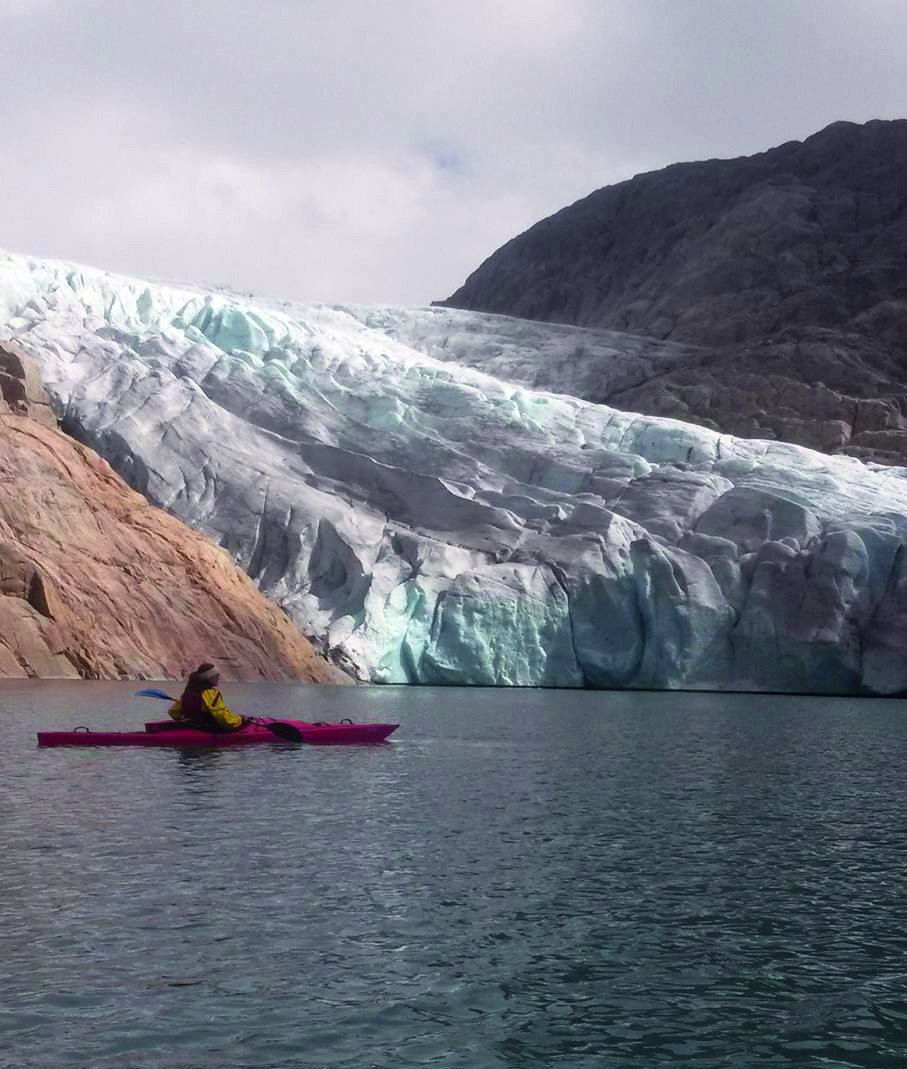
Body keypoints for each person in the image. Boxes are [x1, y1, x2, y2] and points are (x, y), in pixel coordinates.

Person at [169, 663, 247, 733]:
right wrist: (240, 720)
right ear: (209, 678)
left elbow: (173, 712)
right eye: (216, 675)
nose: (219, 678)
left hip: (192, 726)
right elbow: (222, 717)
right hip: (207, 729)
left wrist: (184, 719)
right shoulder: (210, 694)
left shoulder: (188, 692)